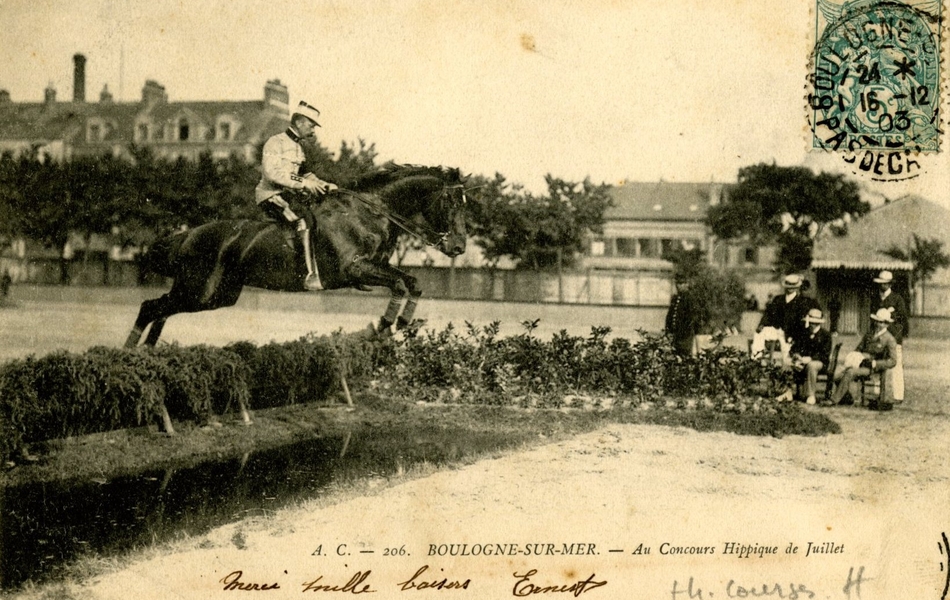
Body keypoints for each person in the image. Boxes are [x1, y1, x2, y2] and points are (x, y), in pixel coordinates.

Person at [255, 100, 338, 291]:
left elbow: (307, 175)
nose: (313, 131)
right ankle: (310, 275)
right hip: (271, 195)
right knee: (304, 220)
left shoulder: (299, 148)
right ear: (299, 122)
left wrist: (324, 185)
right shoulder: (275, 142)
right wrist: (304, 183)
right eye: (311, 125)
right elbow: (272, 173)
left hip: (288, 197)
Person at [829, 308, 898, 410]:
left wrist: (875, 363)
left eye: (881, 322)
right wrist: (856, 357)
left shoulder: (889, 339)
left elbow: (893, 361)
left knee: (850, 373)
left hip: (871, 368)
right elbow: (859, 348)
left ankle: (834, 400)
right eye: (877, 321)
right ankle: (846, 397)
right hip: (860, 362)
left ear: (887, 324)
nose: (878, 324)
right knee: (837, 373)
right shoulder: (869, 334)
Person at [750, 274, 818, 363]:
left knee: (787, 357)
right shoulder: (778, 299)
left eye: (793, 286)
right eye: (788, 286)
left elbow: (803, 322)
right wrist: (762, 324)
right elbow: (768, 314)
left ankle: (786, 368)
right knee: (759, 333)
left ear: (797, 288)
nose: (790, 288)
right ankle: (756, 358)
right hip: (776, 330)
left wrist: (795, 335)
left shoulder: (802, 302)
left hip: (791, 334)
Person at [776, 308, 832, 404]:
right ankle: (786, 392)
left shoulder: (825, 335)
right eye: (810, 322)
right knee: (786, 362)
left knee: (812, 365)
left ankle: (811, 395)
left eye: (814, 322)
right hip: (802, 361)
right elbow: (795, 348)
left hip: (820, 363)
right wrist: (796, 356)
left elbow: (824, 354)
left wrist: (810, 359)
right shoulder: (804, 333)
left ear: (819, 323)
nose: (811, 324)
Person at [869, 270, 908, 403]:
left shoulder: (897, 299)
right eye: (881, 283)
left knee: (896, 365)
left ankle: (898, 395)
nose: (882, 286)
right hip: (879, 337)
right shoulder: (875, 298)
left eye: (885, 284)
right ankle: (877, 393)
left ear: (890, 284)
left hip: (893, 337)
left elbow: (902, 319)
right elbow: (872, 318)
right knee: (876, 363)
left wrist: (896, 335)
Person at [665, 275, 703, 356]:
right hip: (674, 336)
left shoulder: (690, 299)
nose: (678, 286)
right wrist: (668, 331)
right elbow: (669, 316)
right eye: (677, 283)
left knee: (684, 357)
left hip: (685, 336)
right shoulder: (675, 299)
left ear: (687, 284)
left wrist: (684, 332)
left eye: (681, 283)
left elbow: (692, 318)